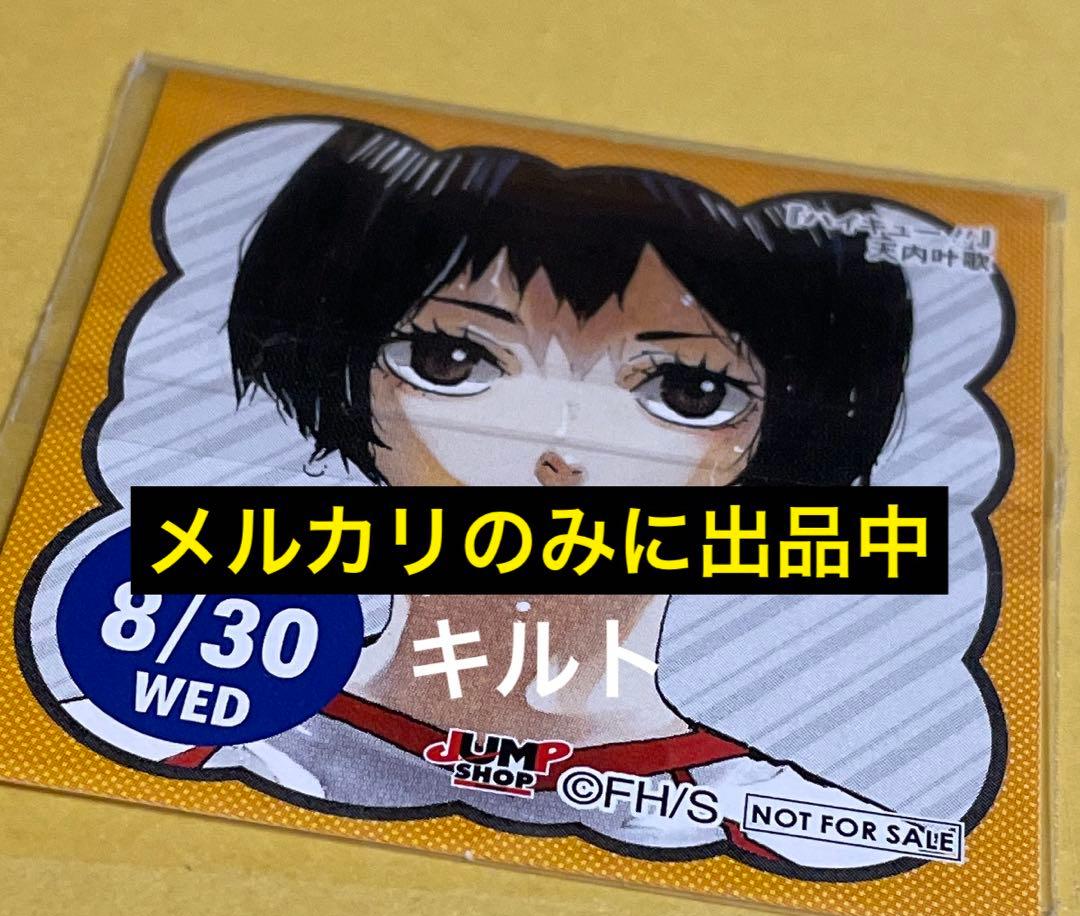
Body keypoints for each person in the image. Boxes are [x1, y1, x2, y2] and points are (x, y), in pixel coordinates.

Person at [75, 122, 917, 868]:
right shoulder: (162, 746)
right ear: (350, 379)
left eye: (687, 389)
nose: (561, 450)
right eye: (453, 360)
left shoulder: (806, 839)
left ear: (768, 436)